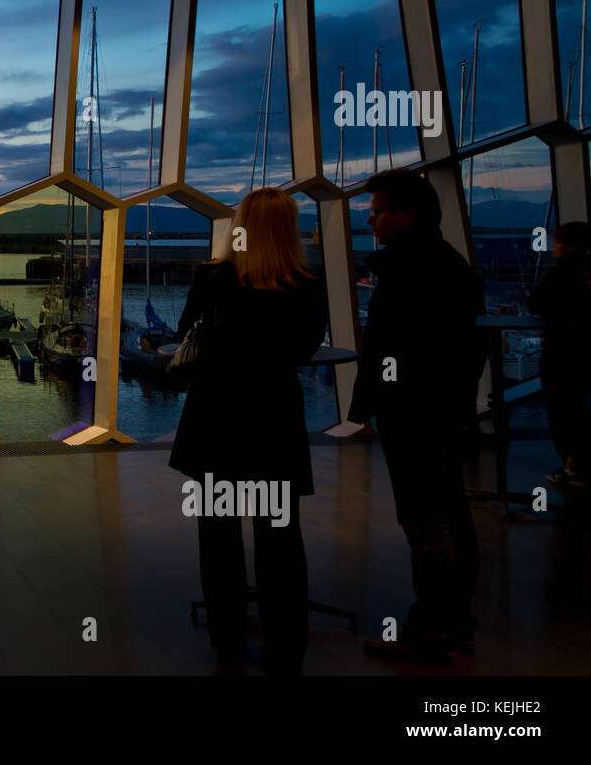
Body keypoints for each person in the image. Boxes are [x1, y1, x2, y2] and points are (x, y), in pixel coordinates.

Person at [169, 187, 326, 675]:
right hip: (273, 423)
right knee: (280, 540)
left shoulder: (215, 279)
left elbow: (185, 335)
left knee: (218, 540)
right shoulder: (306, 286)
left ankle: (229, 641)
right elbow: (302, 350)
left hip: (217, 421)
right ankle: (286, 647)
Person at [349, 169, 485, 666]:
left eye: (378, 211)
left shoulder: (410, 272)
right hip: (439, 413)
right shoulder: (449, 266)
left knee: (426, 523)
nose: (371, 220)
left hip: (415, 416)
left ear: (407, 216)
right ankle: (455, 624)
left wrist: (378, 403)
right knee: (450, 514)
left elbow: (392, 348)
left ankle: (429, 632)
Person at [527, 222, 591, 488]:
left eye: (558, 242)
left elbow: (536, 302)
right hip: (581, 351)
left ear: (570, 245)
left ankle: (575, 468)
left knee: (564, 408)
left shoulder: (561, 274)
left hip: (562, 353)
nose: (553, 246)